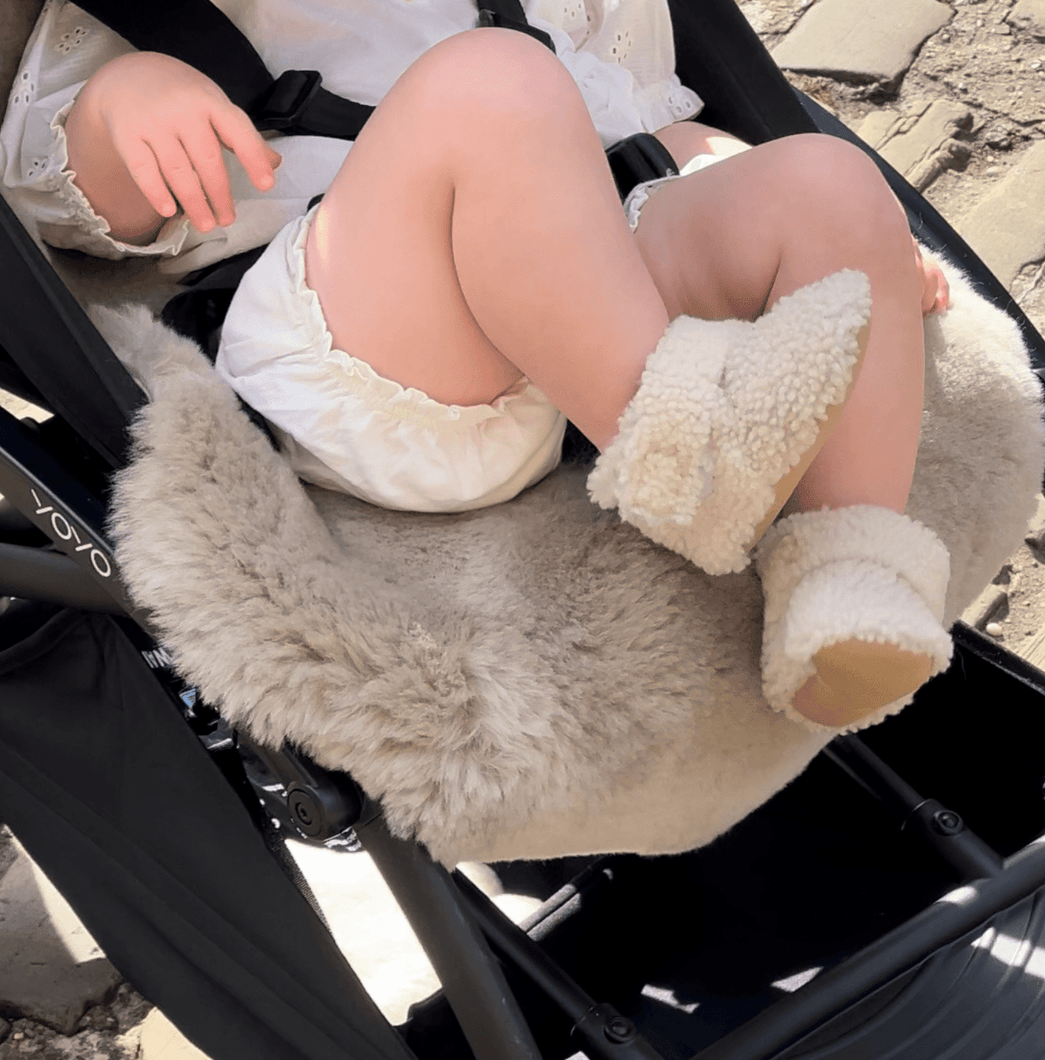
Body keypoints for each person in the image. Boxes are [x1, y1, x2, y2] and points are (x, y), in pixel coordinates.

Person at [1, 0, 953, 730]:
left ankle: (849, 581)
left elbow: (653, 130)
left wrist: (805, 228)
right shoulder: (134, 24)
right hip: (365, 346)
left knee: (825, 180)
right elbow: (70, 205)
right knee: (491, 82)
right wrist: (122, 109)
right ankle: (698, 475)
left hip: (585, 302)